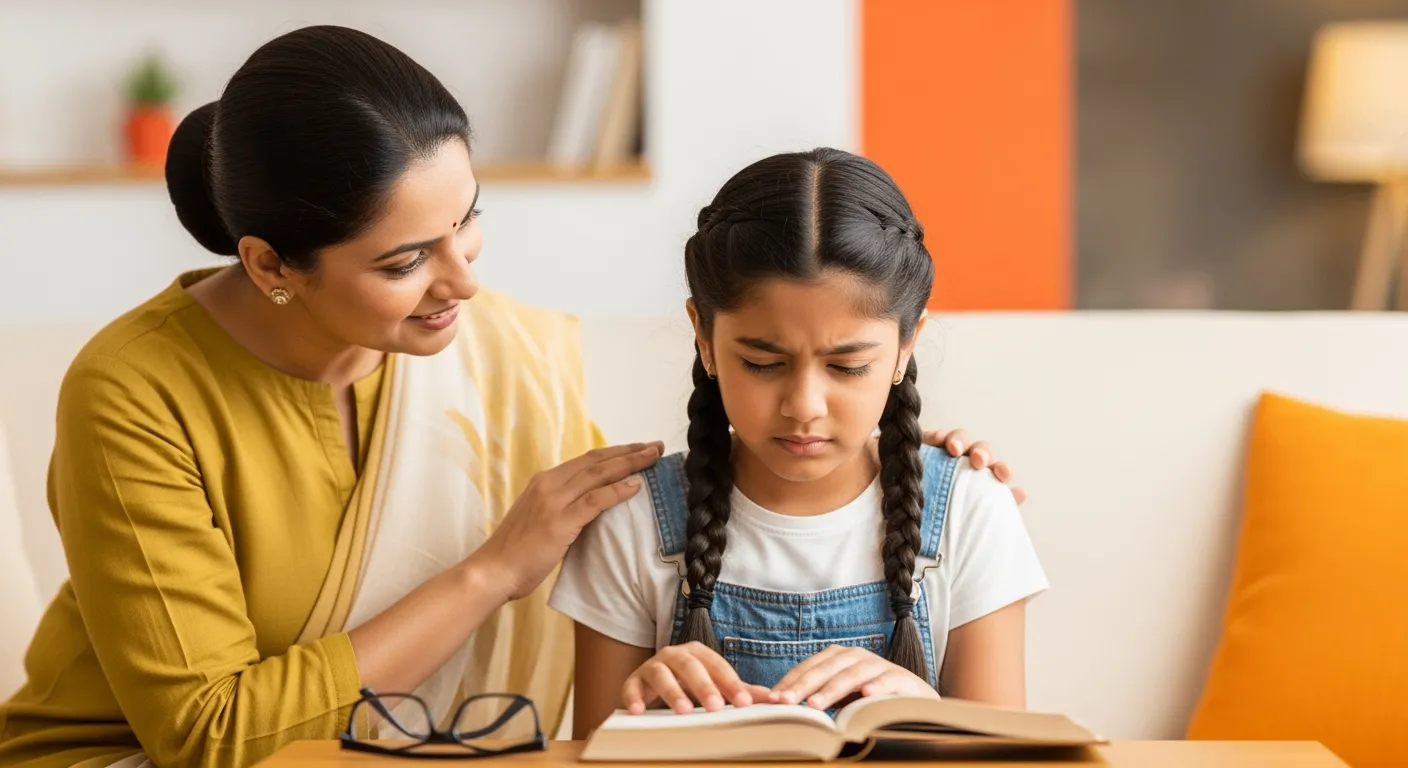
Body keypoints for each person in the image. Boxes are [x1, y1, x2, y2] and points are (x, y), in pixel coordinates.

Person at [0, 27, 1023, 768]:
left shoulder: (492, 350)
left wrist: (878, 449)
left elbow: (675, 506)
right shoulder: (134, 395)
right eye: (406, 258)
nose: (463, 282)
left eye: (468, 223)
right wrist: (490, 574)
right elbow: (211, 740)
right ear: (271, 263)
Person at [550, 148, 1049, 738]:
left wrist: (927, 713)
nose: (804, 405)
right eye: (763, 362)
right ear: (704, 338)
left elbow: (1016, 759)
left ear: (905, 347)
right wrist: (640, 718)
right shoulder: (633, 522)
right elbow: (591, 753)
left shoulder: (969, 510)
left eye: (847, 366)